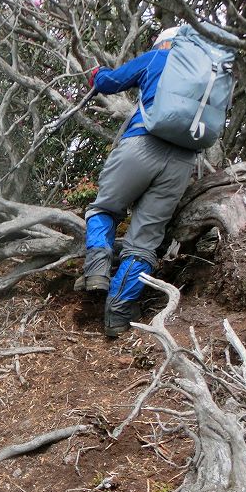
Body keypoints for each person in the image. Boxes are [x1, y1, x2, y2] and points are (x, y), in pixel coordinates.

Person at [79, 26, 197, 338]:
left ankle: (97, 271)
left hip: (142, 144)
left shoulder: (159, 57)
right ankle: (118, 315)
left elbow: (108, 82)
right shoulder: (210, 76)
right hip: (183, 161)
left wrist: (94, 73)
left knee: (103, 209)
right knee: (145, 243)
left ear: (165, 42)